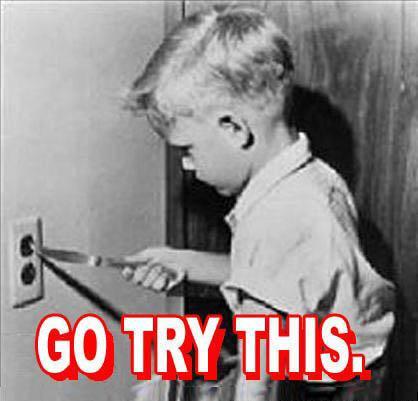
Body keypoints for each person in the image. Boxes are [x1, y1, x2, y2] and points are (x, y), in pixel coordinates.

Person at [122, 6, 396, 401]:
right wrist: (183, 262)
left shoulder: (279, 220)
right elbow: (274, 273)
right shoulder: (310, 181)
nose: (187, 165)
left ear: (234, 128)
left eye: (188, 150)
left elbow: (260, 376)